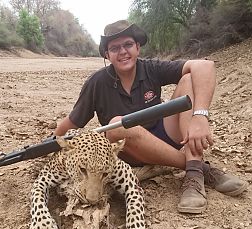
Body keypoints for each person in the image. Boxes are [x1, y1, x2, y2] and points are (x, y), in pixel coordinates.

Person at [54, 20, 247, 214]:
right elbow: (71, 123)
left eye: (128, 45)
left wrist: (200, 116)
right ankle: (198, 168)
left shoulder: (151, 68)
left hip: (163, 136)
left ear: (137, 47)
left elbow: (205, 67)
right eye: (114, 48)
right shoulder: (96, 83)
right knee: (116, 125)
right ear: (107, 55)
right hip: (130, 152)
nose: (122, 52)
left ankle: (193, 178)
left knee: (188, 79)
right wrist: (53, 142)